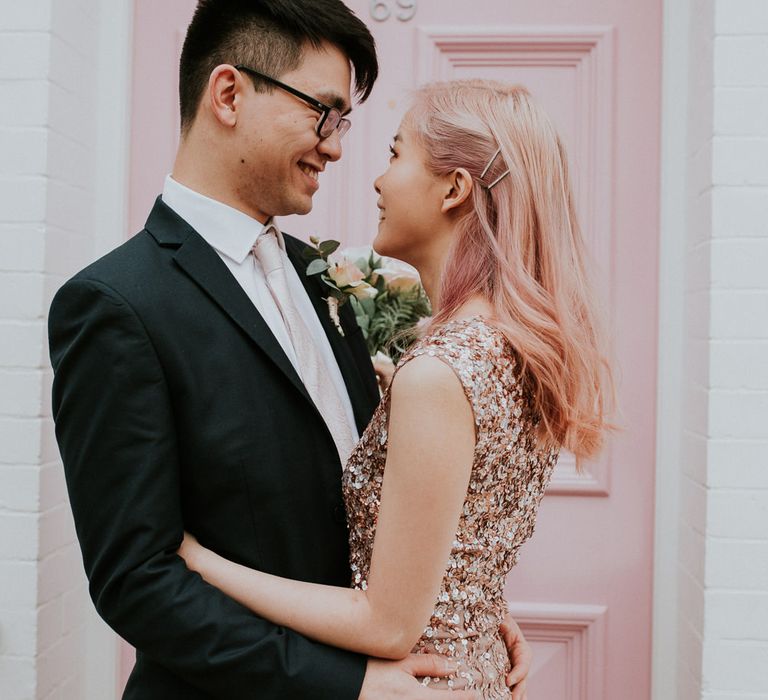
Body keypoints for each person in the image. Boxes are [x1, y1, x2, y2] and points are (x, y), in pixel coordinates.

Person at [48, 1, 530, 698]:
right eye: (322, 112)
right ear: (229, 94)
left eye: (344, 123)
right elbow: (137, 582)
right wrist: (348, 683)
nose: (336, 146)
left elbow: (374, 502)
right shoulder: (116, 305)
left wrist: (456, 600)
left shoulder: (324, 277)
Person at [177, 78, 613, 699]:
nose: (377, 180)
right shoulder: (510, 344)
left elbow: (386, 625)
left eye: (395, 153)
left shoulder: (441, 373)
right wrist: (477, 606)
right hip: (472, 670)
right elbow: (468, 534)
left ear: (455, 189)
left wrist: (203, 564)